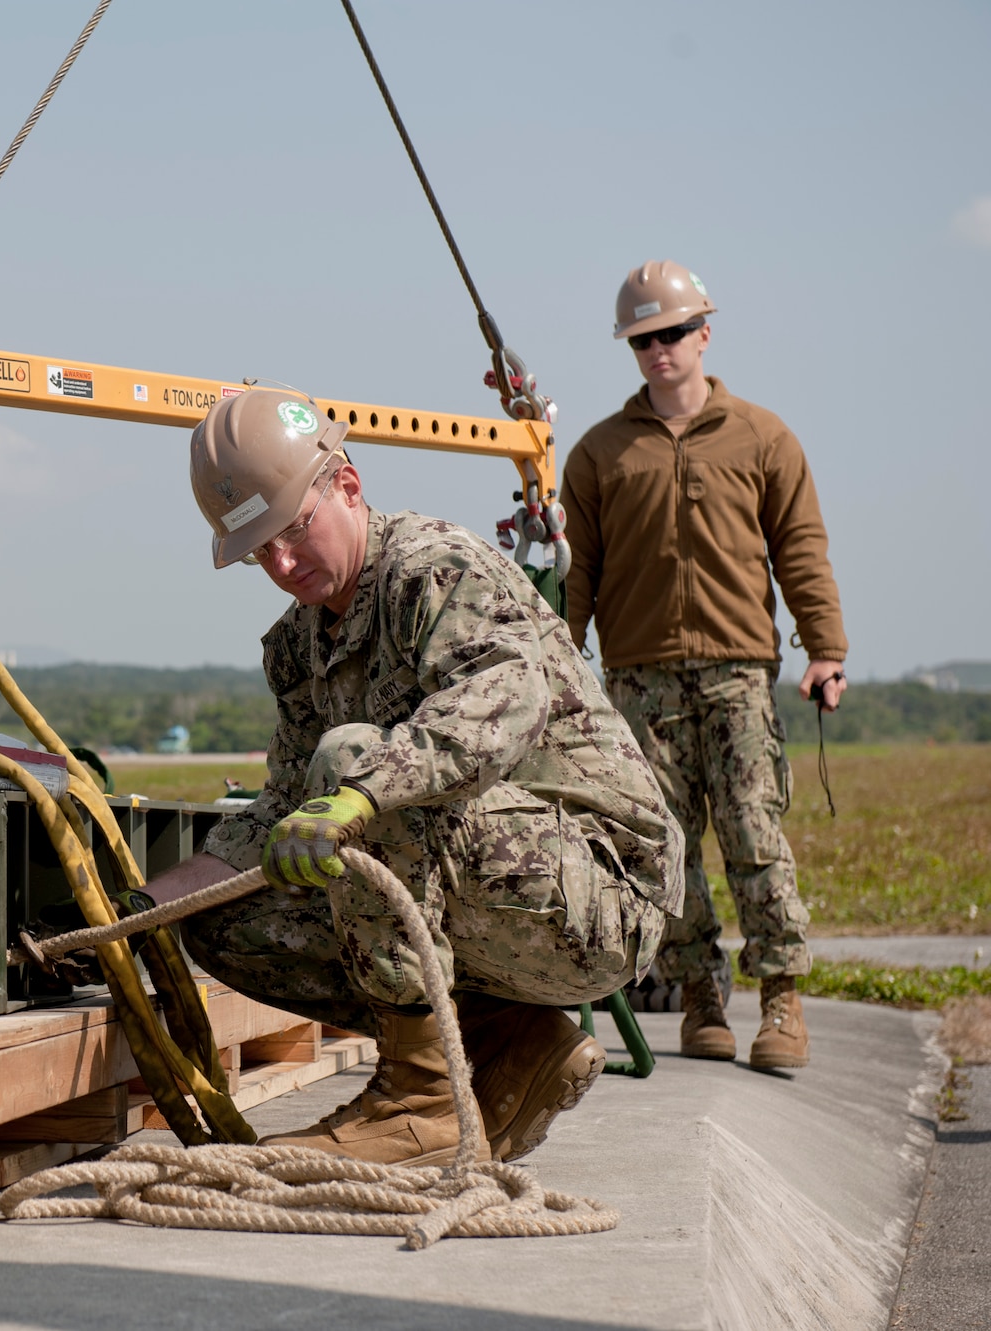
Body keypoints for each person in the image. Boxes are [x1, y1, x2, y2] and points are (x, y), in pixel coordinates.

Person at [139, 389, 683, 1166]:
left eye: (293, 530)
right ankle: (511, 1045)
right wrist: (146, 907)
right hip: (492, 890)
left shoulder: (434, 572)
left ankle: (420, 1099)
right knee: (226, 923)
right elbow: (279, 814)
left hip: (600, 887)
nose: (283, 564)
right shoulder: (298, 648)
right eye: (260, 551)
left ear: (348, 487)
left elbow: (501, 704)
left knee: (358, 765)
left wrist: (360, 791)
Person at [562, 261, 848, 1070]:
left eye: (672, 334)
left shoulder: (762, 437)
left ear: (704, 334)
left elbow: (799, 546)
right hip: (639, 679)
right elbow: (578, 569)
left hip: (738, 675)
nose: (659, 349)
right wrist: (561, 664)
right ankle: (700, 998)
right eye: (642, 338)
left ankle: (783, 1001)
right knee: (667, 850)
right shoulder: (600, 453)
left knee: (756, 835)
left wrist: (824, 647)